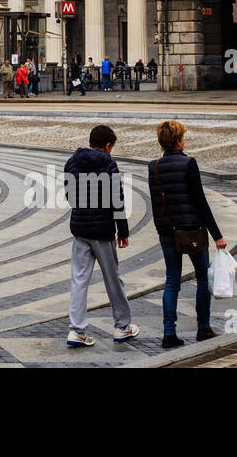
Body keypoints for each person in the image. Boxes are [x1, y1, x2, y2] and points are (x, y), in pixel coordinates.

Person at [148, 120, 226, 348]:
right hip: (191, 230)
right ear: (179, 140)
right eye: (183, 136)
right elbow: (200, 201)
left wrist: (162, 227)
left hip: (167, 231)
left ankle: (169, 333)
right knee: (203, 277)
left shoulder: (153, 167)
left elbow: (155, 203)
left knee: (172, 281)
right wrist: (217, 234)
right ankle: (203, 327)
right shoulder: (189, 163)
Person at [65, 124, 138, 347]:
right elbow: (117, 198)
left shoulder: (72, 162)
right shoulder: (108, 163)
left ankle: (77, 330)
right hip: (103, 230)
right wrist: (123, 230)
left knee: (79, 279)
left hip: (80, 229)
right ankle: (122, 327)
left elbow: (70, 196)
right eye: (111, 147)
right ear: (107, 146)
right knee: (112, 279)